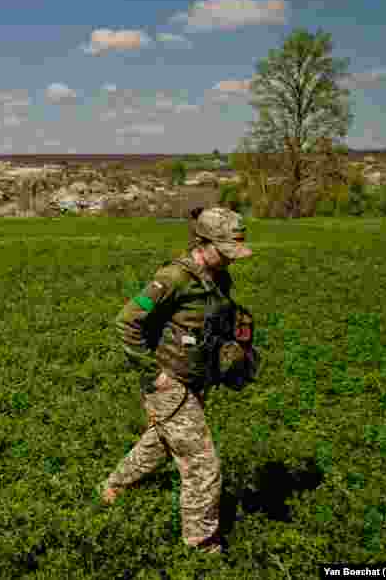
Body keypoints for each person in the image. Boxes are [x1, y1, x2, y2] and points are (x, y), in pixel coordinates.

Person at [98, 206, 256, 555]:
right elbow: (127, 322)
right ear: (204, 242)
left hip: (196, 381)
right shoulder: (172, 278)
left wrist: (237, 332)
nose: (232, 260)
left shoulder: (218, 277)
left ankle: (114, 486)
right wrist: (154, 375)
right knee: (202, 464)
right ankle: (201, 547)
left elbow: (210, 317)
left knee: (159, 443)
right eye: (226, 251)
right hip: (169, 385)